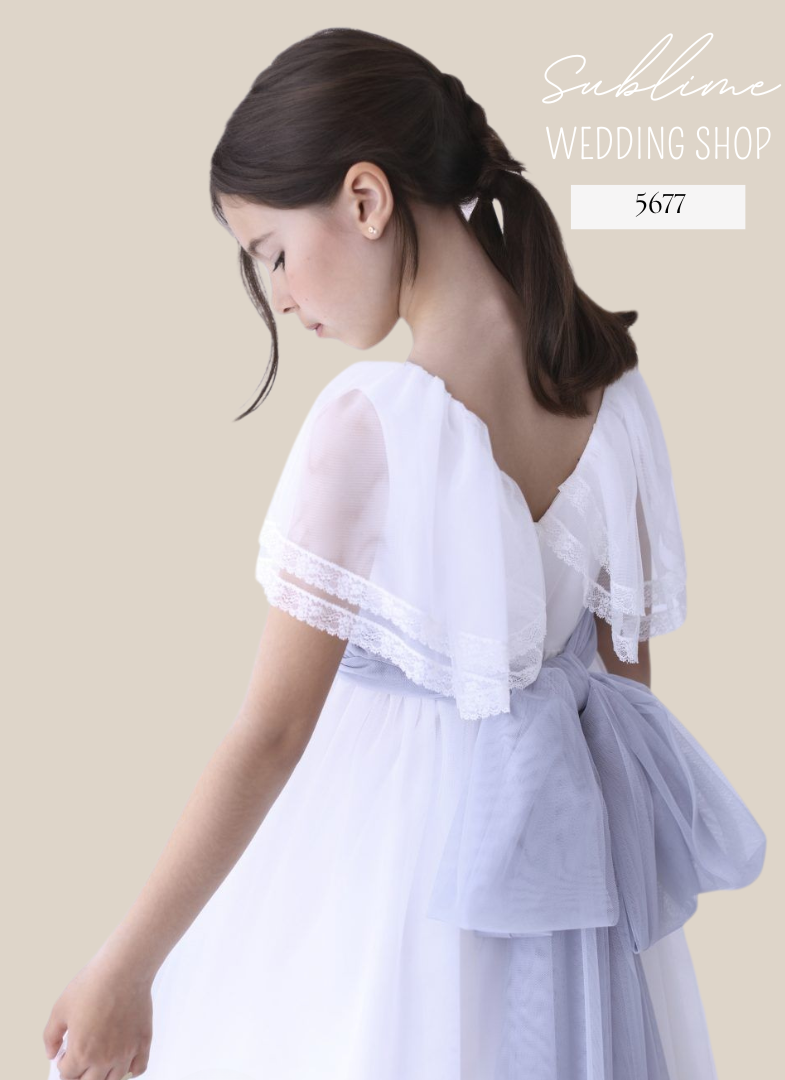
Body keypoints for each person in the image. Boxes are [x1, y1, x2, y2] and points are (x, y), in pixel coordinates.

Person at [43, 27, 766, 1080]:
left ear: (365, 199)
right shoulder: (612, 396)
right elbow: (624, 703)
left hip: (387, 892)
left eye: (272, 252)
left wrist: (126, 966)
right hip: (567, 907)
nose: (281, 296)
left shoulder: (374, 424)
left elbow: (272, 733)